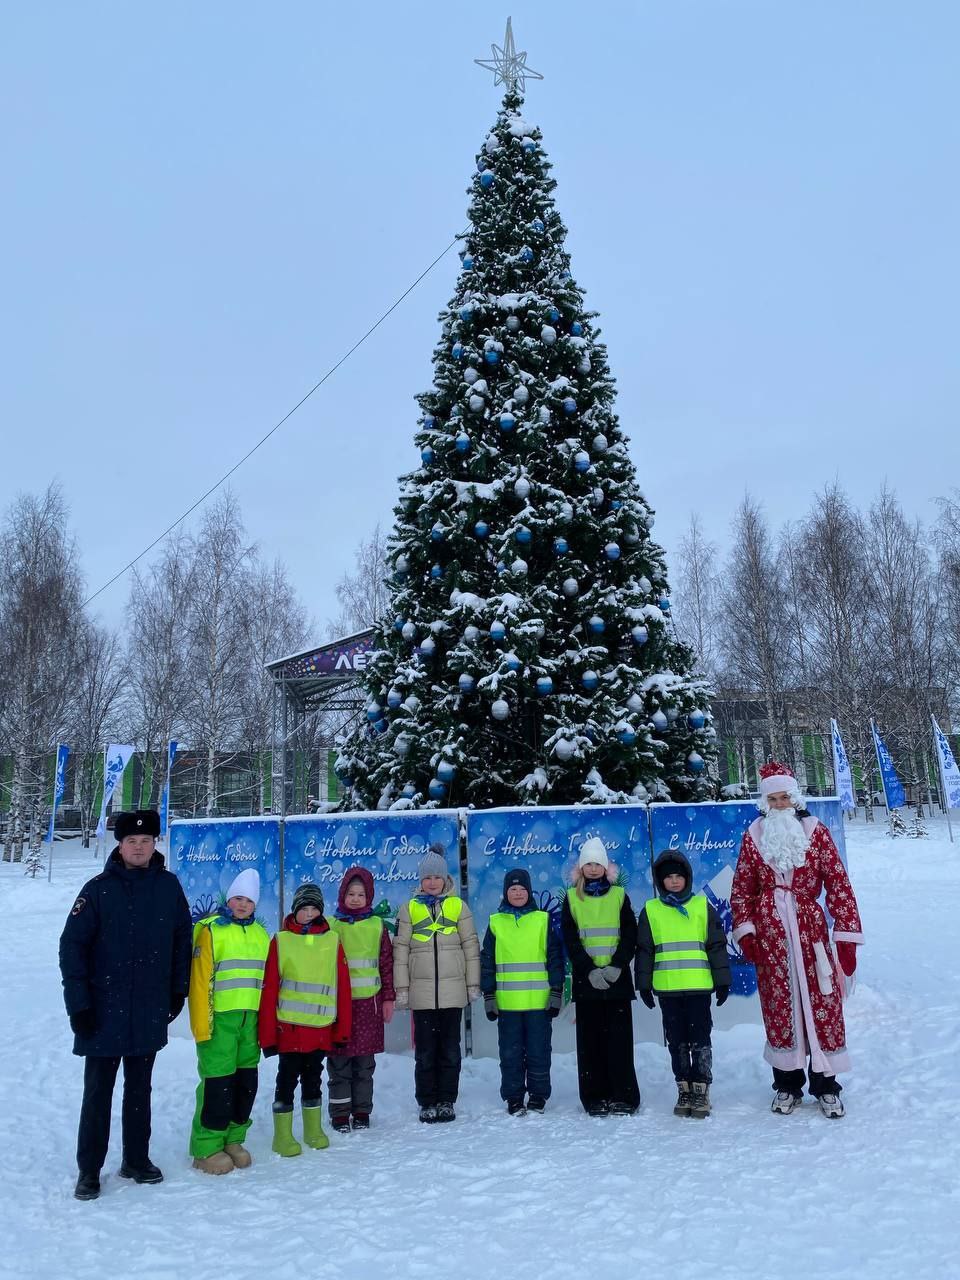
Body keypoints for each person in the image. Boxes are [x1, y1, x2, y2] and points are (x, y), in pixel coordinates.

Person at [59, 809, 192, 1201]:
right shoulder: (97, 889)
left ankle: (136, 1159)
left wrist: (177, 991)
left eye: (146, 841)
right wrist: (78, 1005)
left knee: (140, 1090)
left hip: (148, 1009)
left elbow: (183, 941)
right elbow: (72, 948)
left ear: (155, 844)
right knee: (98, 1093)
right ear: (120, 844)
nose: (139, 847)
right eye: (132, 841)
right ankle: (89, 1170)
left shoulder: (169, 887)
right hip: (102, 1012)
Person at [731, 761, 864, 1118]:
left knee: (823, 1006)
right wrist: (747, 931)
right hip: (773, 936)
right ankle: (787, 1084)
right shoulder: (755, 835)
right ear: (764, 802)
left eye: (784, 797)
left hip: (810, 931)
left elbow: (838, 883)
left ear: (795, 797)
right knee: (780, 1010)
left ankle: (826, 1086)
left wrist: (846, 936)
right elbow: (742, 889)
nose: (778, 805)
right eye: (771, 799)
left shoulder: (815, 832)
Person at [635, 850, 730, 1118]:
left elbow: (716, 945)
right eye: (668, 878)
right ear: (660, 881)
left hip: (698, 987)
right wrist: (643, 984)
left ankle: (701, 1089)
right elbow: (644, 950)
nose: (674, 882)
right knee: (677, 1041)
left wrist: (722, 981)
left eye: (679, 876)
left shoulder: (701, 906)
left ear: (687, 878)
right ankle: (684, 1087)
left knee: (700, 1039)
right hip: (668, 989)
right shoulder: (651, 910)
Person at [258, 883, 352, 1156]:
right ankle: (282, 1136)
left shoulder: (332, 940)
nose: (309, 914)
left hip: (320, 1030)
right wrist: (268, 1037)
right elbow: (270, 989)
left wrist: (341, 1031)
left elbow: (342, 988)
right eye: (304, 909)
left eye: (314, 909)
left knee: (314, 1079)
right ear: (294, 911)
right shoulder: (281, 940)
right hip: (289, 1030)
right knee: (286, 1080)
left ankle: (312, 1130)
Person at [188, 868, 270, 1174]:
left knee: (245, 1083)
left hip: (251, 1022)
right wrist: (201, 1025)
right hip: (219, 1020)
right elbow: (199, 981)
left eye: (248, 900)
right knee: (217, 1084)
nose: (242, 904)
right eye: (237, 898)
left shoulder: (261, 934)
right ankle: (207, 1146)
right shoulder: (210, 930)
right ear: (228, 898)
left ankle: (234, 1139)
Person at [393, 845, 480, 1123]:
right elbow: (401, 950)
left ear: (446, 880)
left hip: (453, 994)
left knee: (450, 1050)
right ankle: (427, 1100)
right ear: (420, 881)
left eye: (437, 877)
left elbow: (470, 946)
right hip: (422, 994)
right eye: (427, 878)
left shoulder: (458, 906)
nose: (432, 883)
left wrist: (472, 984)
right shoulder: (409, 909)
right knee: (426, 1051)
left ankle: (446, 1099)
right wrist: (402, 989)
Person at [560, 836, 640, 1116]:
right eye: (588, 864)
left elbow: (630, 933)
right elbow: (570, 939)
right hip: (588, 981)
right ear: (580, 869)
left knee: (619, 1042)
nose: (593, 868)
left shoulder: (619, 896)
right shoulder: (572, 898)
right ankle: (595, 1097)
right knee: (590, 1044)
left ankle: (624, 1096)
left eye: (598, 863)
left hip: (616, 980)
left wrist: (617, 965)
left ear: (606, 868)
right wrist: (588, 969)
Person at [480, 867, 564, 1114]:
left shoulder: (542, 920)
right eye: (512, 889)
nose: (517, 893)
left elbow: (555, 958)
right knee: (510, 1055)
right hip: (508, 1006)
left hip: (539, 1004)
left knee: (539, 1052)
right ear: (506, 893)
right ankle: (514, 1097)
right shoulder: (496, 923)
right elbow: (487, 961)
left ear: (529, 892)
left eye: (522, 889)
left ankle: (538, 1096)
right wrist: (489, 995)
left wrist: (557, 991)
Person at [326, 866, 396, 1132]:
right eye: (351, 893)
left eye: (361, 894)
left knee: (364, 1065)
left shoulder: (377, 926)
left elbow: (386, 964)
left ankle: (362, 1111)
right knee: (339, 1063)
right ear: (343, 894)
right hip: (339, 1008)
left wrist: (388, 999)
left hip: (369, 1006)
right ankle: (341, 1113)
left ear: (370, 897)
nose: (355, 898)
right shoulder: (332, 926)